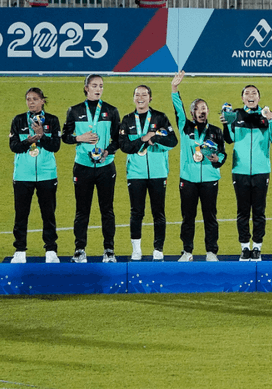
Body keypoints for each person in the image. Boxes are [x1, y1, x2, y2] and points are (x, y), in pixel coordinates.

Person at [62, 75, 122, 263]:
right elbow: (65, 137)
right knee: (82, 210)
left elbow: (118, 140)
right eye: (94, 85)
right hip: (83, 167)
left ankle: (109, 250)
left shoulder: (111, 111)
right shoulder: (74, 110)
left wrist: (107, 151)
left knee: (107, 210)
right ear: (86, 88)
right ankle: (79, 250)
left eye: (101, 86)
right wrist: (79, 138)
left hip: (105, 167)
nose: (98, 89)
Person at [171, 71, 227, 263]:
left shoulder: (216, 131)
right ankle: (187, 251)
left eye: (204, 108)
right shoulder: (185, 127)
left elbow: (223, 154)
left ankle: (211, 252)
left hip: (210, 179)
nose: (201, 111)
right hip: (188, 179)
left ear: (208, 111)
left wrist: (216, 159)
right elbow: (178, 109)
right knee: (188, 217)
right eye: (197, 108)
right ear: (192, 113)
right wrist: (174, 88)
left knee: (210, 217)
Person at [221, 84, 272, 261]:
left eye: (254, 93)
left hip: (261, 171)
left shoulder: (266, 115)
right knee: (243, 211)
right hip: (240, 170)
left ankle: (257, 247)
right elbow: (229, 140)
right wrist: (226, 124)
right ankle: (245, 247)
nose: (251, 95)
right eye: (247, 93)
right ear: (242, 98)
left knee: (259, 211)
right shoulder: (235, 115)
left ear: (259, 98)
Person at [119, 85, 178, 261]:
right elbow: (124, 147)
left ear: (150, 98)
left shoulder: (160, 117)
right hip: (135, 173)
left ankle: (158, 249)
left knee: (158, 212)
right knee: (136, 212)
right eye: (137, 94)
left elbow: (173, 141)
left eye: (144, 94)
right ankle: (136, 250)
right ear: (133, 98)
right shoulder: (127, 119)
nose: (140, 97)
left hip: (158, 172)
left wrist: (156, 138)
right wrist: (143, 139)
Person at [10, 87, 62, 264]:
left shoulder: (52, 120)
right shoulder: (18, 120)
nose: (31, 102)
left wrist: (42, 136)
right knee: (21, 214)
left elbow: (55, 146)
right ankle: (19, 250)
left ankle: (51, 250)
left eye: (34, 99)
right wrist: (28, 141)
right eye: (28, 99)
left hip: (47, 174)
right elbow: (14, 146)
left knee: (48, 214)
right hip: (23, 175)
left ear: (42, 101)